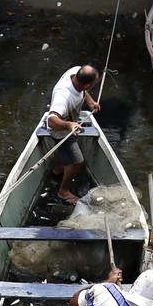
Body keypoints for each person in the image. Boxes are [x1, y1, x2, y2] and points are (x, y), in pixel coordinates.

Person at [44, 64, 101, 204]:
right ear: (88, 85)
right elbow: (51, 121)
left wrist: (91, 102)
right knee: (77, 161)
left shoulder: (76, 72)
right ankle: (63, 191)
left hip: (69, 123)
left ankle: (58, 169)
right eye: (93, 83)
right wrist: (69, 125)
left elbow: (82, 91)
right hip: (61, 130)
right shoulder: (63, 97)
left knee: (63, 152)